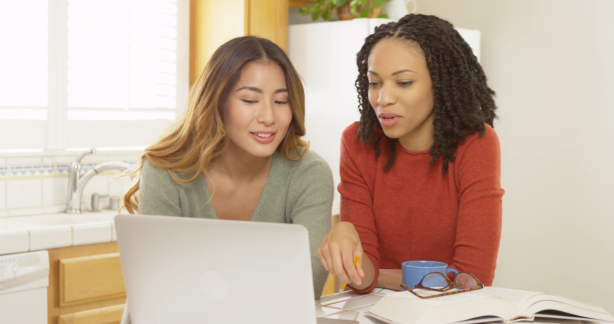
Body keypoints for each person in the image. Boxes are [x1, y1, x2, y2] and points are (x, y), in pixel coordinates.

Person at [120, 36, 334, 323]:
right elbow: (158, 291)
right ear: (217, 101)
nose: (269, 116)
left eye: (281, 101)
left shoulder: (308, 174)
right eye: (250, 100)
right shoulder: (166, 171)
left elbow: (306, 288)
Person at [317, 14, 504, 293]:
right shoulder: (358, 143)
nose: (383, 99)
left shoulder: (476, 144)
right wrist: (347, 238)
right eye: (375, 83)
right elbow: (360, 277)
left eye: (403, 82)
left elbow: (471, 278)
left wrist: (381, 276)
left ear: (439, 84)